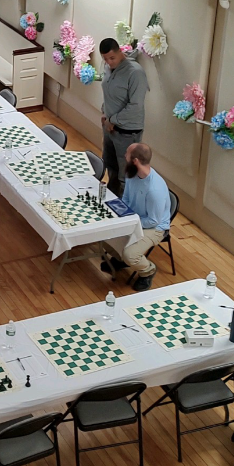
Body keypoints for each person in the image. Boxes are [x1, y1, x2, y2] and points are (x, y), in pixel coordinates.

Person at [102, 143, 171, 291]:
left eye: (127, 153)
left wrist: (130, 222)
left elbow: (153, 221)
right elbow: (126, 198)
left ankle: (147, 271)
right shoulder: (131, 173)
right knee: (103, 235)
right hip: (133, 217)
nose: (124, 156)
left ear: (135, 161)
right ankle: (122, 260)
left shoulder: (154, 189)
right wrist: (121, 215)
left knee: (130, 254)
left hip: (155, 228)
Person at [99, 37, 149, 196]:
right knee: (110, 164)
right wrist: (104, 113)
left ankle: (125, 211)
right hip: (109, 127)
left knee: (125, 175)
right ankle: (110, 202)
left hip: (127, 131)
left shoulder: (135, 72)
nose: (109, 62)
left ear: (120, 52)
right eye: (105, 59)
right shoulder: (108, 69)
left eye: (112, 58)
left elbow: (136, 105)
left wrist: (113, 120)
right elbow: (109, 93)